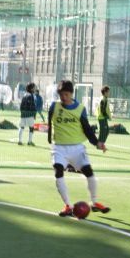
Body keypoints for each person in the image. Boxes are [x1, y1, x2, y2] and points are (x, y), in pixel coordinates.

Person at [48, 80, 111, 217]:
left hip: (77, 148)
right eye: (61, 94)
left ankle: (94, 203)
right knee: (58, 172)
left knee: (89, 174)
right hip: (58, 148)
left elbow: (87, 129)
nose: (63, 97)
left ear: (72, 93)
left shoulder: (80, 109)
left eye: (66, 94)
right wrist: (50, 140)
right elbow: (49, 123)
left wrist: (97, 143)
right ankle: (68, 206)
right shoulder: (53, 107)